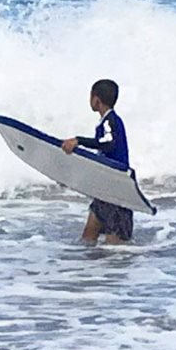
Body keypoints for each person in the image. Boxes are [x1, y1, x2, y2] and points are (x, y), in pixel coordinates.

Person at [70, 77, 134, 244]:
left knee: (115, 249)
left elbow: (108, 143)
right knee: (88, 238)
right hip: (105, 190)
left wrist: (79, 141)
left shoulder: (110, 121)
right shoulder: (106, 122)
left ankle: (119, 270)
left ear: (96, 99)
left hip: (117, 192)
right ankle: (83, 269)